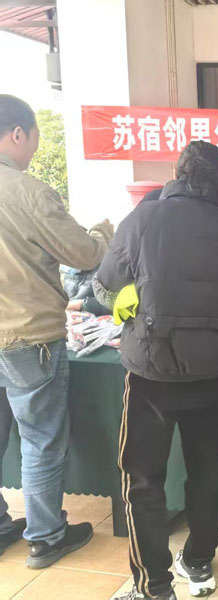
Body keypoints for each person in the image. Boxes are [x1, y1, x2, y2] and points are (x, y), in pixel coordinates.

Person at [94, 141, 218, 600]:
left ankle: (153, 586)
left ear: (175, 174)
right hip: (213, 374)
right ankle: (198, 561)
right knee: (206, 467)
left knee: (142, 479)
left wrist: (135, 302)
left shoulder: (141, 220)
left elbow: (102, 289)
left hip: (149, 373)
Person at [0, 95, 114, 566]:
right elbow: (84, 254)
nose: (33, 148)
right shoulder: (27, 192)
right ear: (18, 133)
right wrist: (104, 231)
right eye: (34, 137)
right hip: (27, 336)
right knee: (41, 438)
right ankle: (46, 536)